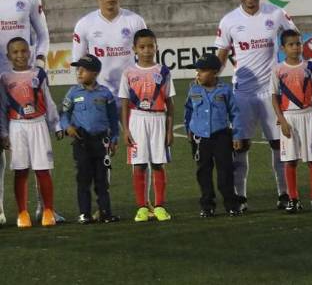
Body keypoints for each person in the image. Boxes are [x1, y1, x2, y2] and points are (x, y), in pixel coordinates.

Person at [215, 0, 296, 211]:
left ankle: (284, 194)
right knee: (241, 145)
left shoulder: (276, 13)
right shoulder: (229, 20)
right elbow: (220, 55)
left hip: (272, 91)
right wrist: (209, 80)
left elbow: (294, 39)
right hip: (242, 93)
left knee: (278, 144)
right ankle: (240, 197)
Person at [0, 0, 51, 226]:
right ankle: (0, 208)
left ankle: (45, 208)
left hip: (27, 80)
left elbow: (43, 34)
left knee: (37, 146)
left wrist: (41, 64)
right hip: (0, 84)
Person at [0, 38, 62, 228]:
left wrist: (56, 125)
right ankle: (22, 213)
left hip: (38, 124)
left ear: (30, 52)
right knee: (20, 170)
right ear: (9, 56)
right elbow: (2, 108)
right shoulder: (4, 78)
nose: (20, 55)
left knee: (43, 169)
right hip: (17, 127)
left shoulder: (39, 74)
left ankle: (48, 211)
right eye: (15, 52)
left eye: (24, 51)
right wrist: (3, 133)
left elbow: (49, 101)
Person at [119, 29, 175, 222]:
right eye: (142, 47)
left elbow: (170, 103)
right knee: (139, 164)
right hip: (137, 120)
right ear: (134, 49)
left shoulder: (163, 71)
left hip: (158, 119)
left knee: (158, 163)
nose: (147, 50)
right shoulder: (128, 72)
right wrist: (126, 129)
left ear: (156, 47)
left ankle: (159, 206)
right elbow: (125, 103)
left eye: (150, 46)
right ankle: (142, 207)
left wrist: (170, 130)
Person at [59, 54, 121, 224]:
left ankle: (105, 212)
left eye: (83, 70)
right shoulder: (72, 93)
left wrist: (115, 138)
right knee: (83, 178)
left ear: (95, 73)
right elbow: (64, 114)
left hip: (102, 142)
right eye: (77, 69)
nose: (78, 72)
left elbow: (113, 118)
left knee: (102, 179)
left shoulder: (105, 94)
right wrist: (67, 127)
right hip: (81, 142)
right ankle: (84, 213)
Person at [270, 29, 312, 214]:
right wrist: (281, 120)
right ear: (283, 48)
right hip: (289, 118)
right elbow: (274, 97)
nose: (296, 48)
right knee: (290, 160)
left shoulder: (310, 66)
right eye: (291, 44)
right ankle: (293, 198)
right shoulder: (278, 69)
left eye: (298, 44)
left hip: (308, 115)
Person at [185, 54, 244, 217]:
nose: (198, 74)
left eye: (203, 70)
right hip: (199, 138)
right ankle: (207, 205)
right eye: (198, 70)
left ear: (215, 72)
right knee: (203, 172)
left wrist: (237, 135)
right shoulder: (193, 89)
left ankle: (231, 204)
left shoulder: (224, 90)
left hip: (221, 136)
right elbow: (188, 111)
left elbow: (235, 113)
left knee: (225, 170)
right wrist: (188, 131)